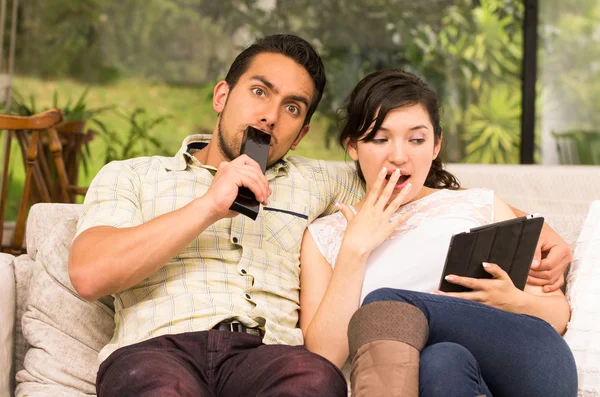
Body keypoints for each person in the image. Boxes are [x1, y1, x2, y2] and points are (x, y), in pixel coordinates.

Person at [69, 34, 570, 396]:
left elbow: (415, 183)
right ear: (223, 96)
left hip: (267, 356)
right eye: (259, 92)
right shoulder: (132, 175)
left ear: (304, 132)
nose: (270, 116)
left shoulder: (321, 182)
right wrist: (207, 206)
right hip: (159, 349)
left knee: (315, 377)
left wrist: (545, 231)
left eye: (292, 107)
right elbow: (90, 273)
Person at [299, 69, 578, 397]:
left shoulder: (478, 204)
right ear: (353, 146)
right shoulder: (324, 236)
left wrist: (512, 300)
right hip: (452, 381)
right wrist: (354, 250)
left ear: (436, 145)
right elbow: (323, 359)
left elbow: (558, 315)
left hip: (532, 364)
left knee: (385, 303)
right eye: (380, 138)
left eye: (416, 139)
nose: (399, 155)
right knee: (442, 359)